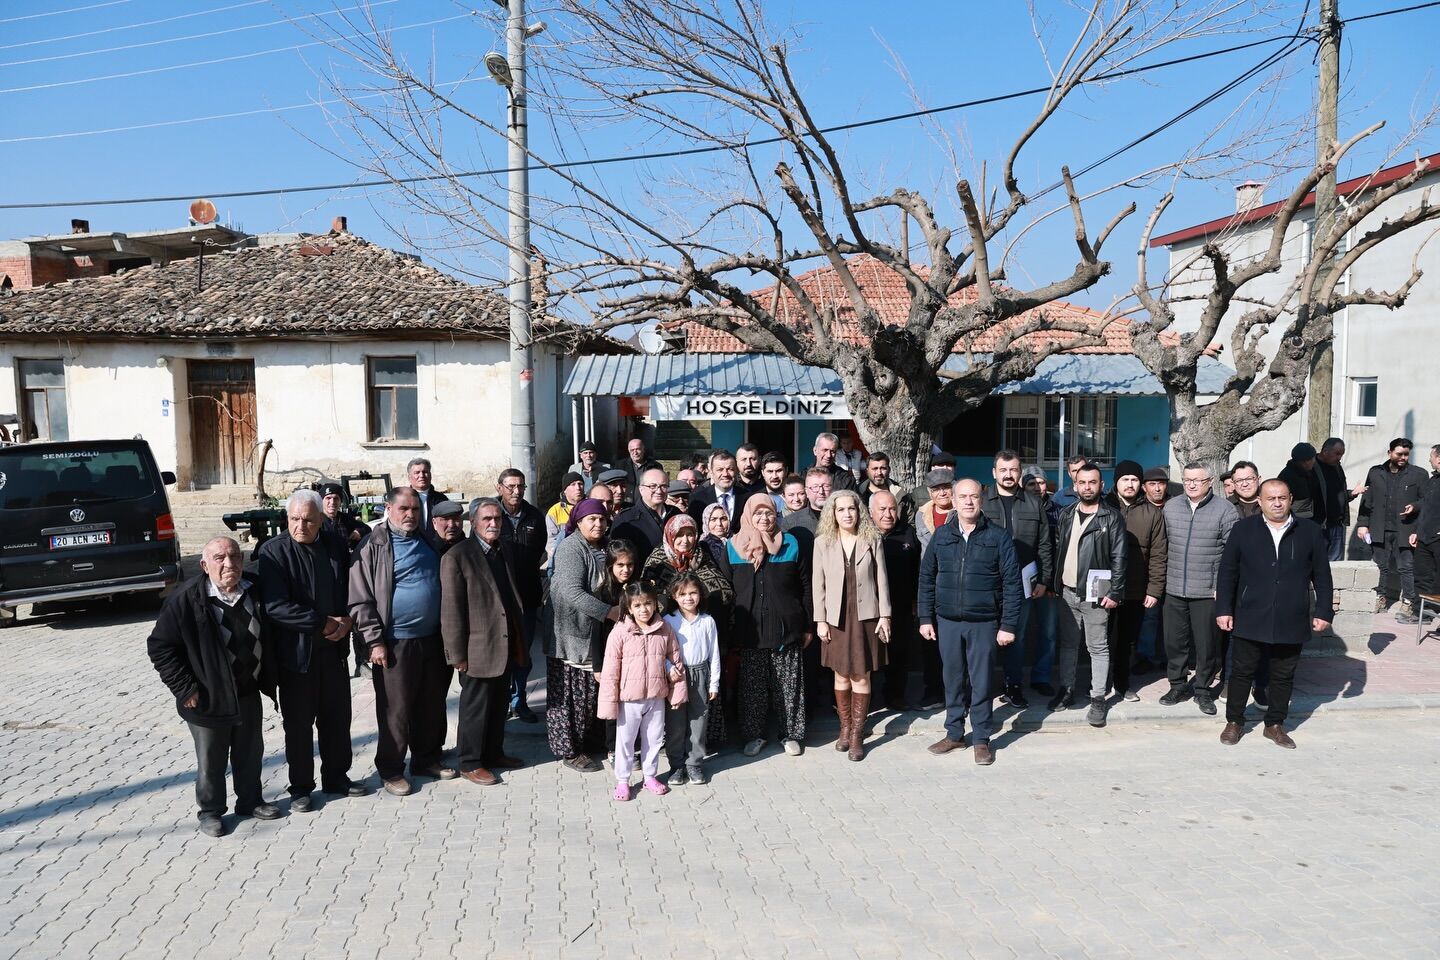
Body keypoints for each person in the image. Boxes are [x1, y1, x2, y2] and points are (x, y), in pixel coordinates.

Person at [147, 536, 280, 837]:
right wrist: (184, 688)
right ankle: (210, 812)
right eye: (220, 558)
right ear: (205, 565)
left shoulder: (254, 589)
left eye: (234, 556)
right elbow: (159, 647)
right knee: (211, 759)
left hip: (247, 689)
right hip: (207, 696)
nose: (229, 563)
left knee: (250, 751)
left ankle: (250, 801)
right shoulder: (186, 599)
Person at [258, 490, 365, 810]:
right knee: (299, 727)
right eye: (294, 519)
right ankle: (301, 787)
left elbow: (348, 587)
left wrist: (348, 619)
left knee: (337, 720)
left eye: (307, 520)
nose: (300, 526)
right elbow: (276, 607)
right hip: (296, 657)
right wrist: (324, 623)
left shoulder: (334, 544)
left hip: (333, 653)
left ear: (320, 519)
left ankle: (337, 777)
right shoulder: (273, 552)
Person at [350, 486, 454, 796]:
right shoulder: (373, 545)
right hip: (394, 643)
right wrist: (374, 641)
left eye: (415, 509)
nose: (410, 515)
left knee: (431, 703)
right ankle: (391, 768)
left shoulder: (426, 539)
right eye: (403, 509)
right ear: (388, 509)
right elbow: (360, 599)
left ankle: (426, 758)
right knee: (395, 710)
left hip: (432, 638)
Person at [1217, 480, 1333, 749]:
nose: (1277, 503)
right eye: (1271, 498)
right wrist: (1224, 609)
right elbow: (1227, 572)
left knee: (1283, 674)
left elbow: (1322, 575)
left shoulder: (1310, 531)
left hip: (1291, 615)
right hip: (1250, 612)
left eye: (1282, 498)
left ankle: (1275, 724)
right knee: (1242, 672)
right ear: (1260, 501)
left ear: (1290, 499)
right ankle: (1234, 721)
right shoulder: (1244, 529)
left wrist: (1324, 610)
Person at [917, 479, 1023, 766]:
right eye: (962, 496)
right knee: (952, 679)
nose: (967, 501)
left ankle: (981, 738)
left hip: (984, 622)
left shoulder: (998, 537)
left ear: (981, 499)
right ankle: (954, 734)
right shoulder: (942, 535)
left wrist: (1008, 625)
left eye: (973, 496)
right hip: (947, 621)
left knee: (981, 682)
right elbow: (926, 578)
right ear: (953, 500)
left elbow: (1012, 584)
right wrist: (925, 617)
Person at [441, 498, 528, 787]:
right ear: (473, 522)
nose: (493, 523)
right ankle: (469, 762)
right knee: (475, 709)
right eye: (487, 519)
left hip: (504, 643)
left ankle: (493, 753)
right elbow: (451, 610)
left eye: (497, 519)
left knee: (498, 704)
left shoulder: (504, 550)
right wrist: (456, 655)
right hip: (476, 647)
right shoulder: (457, 556)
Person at [723, 493, 813, 758]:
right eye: (758, 513)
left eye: (769, 513)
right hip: (750, 631)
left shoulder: (790, 543)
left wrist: (808, 625)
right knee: (753, 690)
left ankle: (791, 734)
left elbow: (805, 587)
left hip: (786, 629)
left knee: (789, 688)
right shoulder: (733, 547)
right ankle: (754, 735)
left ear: (777, 515)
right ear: (748, 516)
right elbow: (727, 591)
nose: (764, 518)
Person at [813, 489, 891, 761]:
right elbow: (818, 584)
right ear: (832, 514)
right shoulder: (822, 542)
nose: (847, 514)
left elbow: (882, 579)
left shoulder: (872, 538)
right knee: (841, 675)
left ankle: (857, 734)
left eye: (851, 508)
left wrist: (885, 615)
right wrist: (820, 620)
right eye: (841, 509)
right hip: (836, 619)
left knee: (861, 675)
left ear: (859, 512)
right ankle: (844, 728)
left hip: (866, 617)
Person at [1048, 462, 1127, 726]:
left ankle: (1098, 698)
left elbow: (1119, 557)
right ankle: (1066, 689)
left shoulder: (1112, 517)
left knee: (1097, 647)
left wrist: (1115, 591)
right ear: (1075, 485)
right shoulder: (1066, 514)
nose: (1087, 487)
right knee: (1068, 644)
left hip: (1097, 593)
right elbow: (1058, 548)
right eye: (1082, 482)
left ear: (1101, 485)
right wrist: (1055, 584)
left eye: (1093, 482)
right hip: (1067, 591)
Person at [596, 582, 689, 801]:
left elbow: (676, 661)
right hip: (629, 700)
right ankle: (623, 781)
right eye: (637, 605)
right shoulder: (620, 632)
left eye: (648, 603)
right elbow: (610, 671)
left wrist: (677, 693)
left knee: (654, 739)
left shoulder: (665, 629)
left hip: (656, 697)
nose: (643, 609)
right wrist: (608, 704)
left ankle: (650, 777)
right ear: (629, 608)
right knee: (625, 741)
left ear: (655, 604)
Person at [1159, 463, 1239, 716]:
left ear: (1210, 481)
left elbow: (1232, 554)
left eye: (1197, 480)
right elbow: (1162, 546)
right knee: (1174, 642)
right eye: (1187, 480)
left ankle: (1203, 690)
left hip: (1207, 590)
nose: (1191, 484)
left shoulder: (1225, 510)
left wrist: (1221, 587)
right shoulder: (1171, 507)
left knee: (1207, 645)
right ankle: (1177, 685)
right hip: (1174, 588)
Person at [544, 498, 616, 773]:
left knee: (589, 696)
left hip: (592, 632)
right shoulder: (571, 548)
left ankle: (587, 742)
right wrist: (608, 611)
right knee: (570, 698)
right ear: (578, 522)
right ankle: (569, 750)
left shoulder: (604, 545)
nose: (598, 524)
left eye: (602, 519)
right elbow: (572, 592)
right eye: (591, 519)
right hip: (571, 634)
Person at [981, 450, 1055, 709]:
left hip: (1022, 584)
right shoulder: (982, 501)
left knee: (1016, 636)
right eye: (1003, 470)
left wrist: (1044, 580)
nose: (1008, 475)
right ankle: (981, 688)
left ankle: (1013, 686)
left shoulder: (1034, 503)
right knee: (985, 637)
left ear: (1020, 472)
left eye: (1013, 470)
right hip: (987, 583)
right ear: (994, 473)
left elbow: (1044, 545)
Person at [871, 490, 940, 711]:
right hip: (870, 606)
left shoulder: (908, 533)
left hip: (901, 604)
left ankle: (895, 695)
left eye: (892, 509)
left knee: (899, 652)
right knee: (870, 653)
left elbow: (919, 570)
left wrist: (916, 601)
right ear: (871, 512)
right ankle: (868, 697)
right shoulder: (864, 534)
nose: (888, 514)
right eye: (882, 509)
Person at [1104, 460, 1167, 702]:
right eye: (1125, 479)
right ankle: (1098, 683)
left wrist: (1154, 590)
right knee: (1101, 637)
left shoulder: (1152, 513)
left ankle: (1122, 683)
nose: (1129, 484)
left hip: (1135, 587)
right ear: (1116, 482)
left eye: (1134, 480)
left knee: (1126, 639)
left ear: (1140, 484)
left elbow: (1159, 554)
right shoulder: (1104, 506)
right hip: (1103, 585)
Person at [1356, 438, 1428, 620]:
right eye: (1399, 454)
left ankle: (1408, 602)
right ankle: (1380, 598)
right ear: (1389, 453)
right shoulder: (1375, 472)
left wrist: (1415, 506)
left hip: (1406, 529)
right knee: (1380, 566)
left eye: (1406, 454)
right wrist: (1363, 524)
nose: (1403, 457)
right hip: (1379, 528)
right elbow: (1367, 499)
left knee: (1406, 567)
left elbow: (1426, 501)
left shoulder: (1419, 474)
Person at [496, 468, 547, 722]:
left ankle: (520, 701)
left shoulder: (535, 516)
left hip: (527, 594)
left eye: (521, 486)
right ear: (499, 488)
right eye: (511, 486)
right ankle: (502, 701)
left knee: (523, 653)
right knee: (502, 652)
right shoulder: (490, 514)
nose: (516, 491)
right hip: (499, 598)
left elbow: (539, 550)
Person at [663, 574, 721, 785]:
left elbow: (714, 653)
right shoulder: (668, 620)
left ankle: (694, 764)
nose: (688, 598)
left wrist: (714, 682)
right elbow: (661, 650)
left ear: (700, 594)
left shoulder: (707, 621)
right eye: (683, 594)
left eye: (693, 593)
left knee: (698, 721)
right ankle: (676, 766)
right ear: (674, 596)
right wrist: (669, 667)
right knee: (675, 723)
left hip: (700, 674)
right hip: (677, 676)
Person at [592, 539, 640, 769]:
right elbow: (595, 632)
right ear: (610, 566)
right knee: (613, 705)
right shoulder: (603, 594)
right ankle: (613, 749)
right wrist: (598, 666)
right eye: (620, 565)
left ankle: (632, 747)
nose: (625, 570)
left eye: (629, 565)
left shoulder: (638, 590)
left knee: (633, 705)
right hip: (611, 661)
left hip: (635, 660)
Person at [640, 513, 735, 620]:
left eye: (690, 535)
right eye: (679, 535)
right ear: (670, 535)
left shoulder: (702, 555)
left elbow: (722, 589)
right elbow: (647, 594)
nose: (685, 540)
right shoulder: (657, 561)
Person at [612, 466, 679, 560]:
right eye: (652, 486)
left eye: (663, 486)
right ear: (641, 489)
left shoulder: (676, 514)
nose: (659, 491)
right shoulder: (626, 519)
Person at [1316, 437, 1367, 561]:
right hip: (1320, 524)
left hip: (1337, 524)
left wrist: (1351, 494)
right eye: (1337, 454)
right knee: (1318, 561)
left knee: (1336, 564)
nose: (1340, 457)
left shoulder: (1337, 467)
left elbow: (1339, 493)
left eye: (1342, 454)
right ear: (1325, 452)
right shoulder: (1313, 467)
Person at [1411, 444, 1440, 611]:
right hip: (1425, 537)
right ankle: (1421, 613)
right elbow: (1426, 506)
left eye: (1431, 456)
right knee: (1422, 577)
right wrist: (1416, 531)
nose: (1429, 460)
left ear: (1439, 458)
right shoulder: (1433, 480)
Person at [857, 451, 917, 528]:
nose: (879, 473)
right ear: (867, 471)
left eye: (883, 468)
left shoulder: (900, 494)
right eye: (875, 469)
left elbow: (910, 523)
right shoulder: (857, 493)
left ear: (889, 470)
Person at [688, 448, 745, 528]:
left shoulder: (747, 497)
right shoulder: (697, 499)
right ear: (711, 472)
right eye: (720, 470)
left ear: (736, 471)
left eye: (730, 469)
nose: (725, 474)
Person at [1278, 443, 1327, 528]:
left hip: (1307, 521)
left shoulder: (1307, 474)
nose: (1314, 462)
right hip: (1295, 523)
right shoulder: (1288, 477)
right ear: (1305, 461)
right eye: (1313, 459)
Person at [545, 471, 586, 569]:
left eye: (580, 484)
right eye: (573, 484)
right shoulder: (554, 511)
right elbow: (551, 542)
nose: (578, 487)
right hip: (563, 561)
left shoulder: (590, 507)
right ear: (565, 490)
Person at [781, 467, 831, 540]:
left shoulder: (842, 515)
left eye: (826, 486)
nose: (821, 491)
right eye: (815, 487)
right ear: (806, 491)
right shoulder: (789, 521)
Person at [319, 481, 369, 552]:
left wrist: (359, 531)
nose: (332, 502)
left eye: (336, 498)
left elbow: (367, 529)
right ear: (321, 501)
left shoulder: (345, 518)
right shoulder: (316, 521)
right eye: (328, 498)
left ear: (340, 502)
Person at [915, 468, 955, 550]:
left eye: (946, 487)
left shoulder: (963, 513)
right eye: (936, 489)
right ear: (930, 494)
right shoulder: (921, 514)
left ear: (953, 489)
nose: (942, 493)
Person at [406, 458, 450, 528]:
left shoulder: (441, 499)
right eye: (417, 472)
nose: (422, 475)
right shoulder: (403, 499)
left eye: (425, 472)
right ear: (409, 477)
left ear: (430, 475)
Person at [699, 502, 731, 568]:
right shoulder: (701, 546)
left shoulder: (737, 541)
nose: (719, 523)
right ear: (706, 522)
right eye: (713, 519)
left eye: (723, 519)